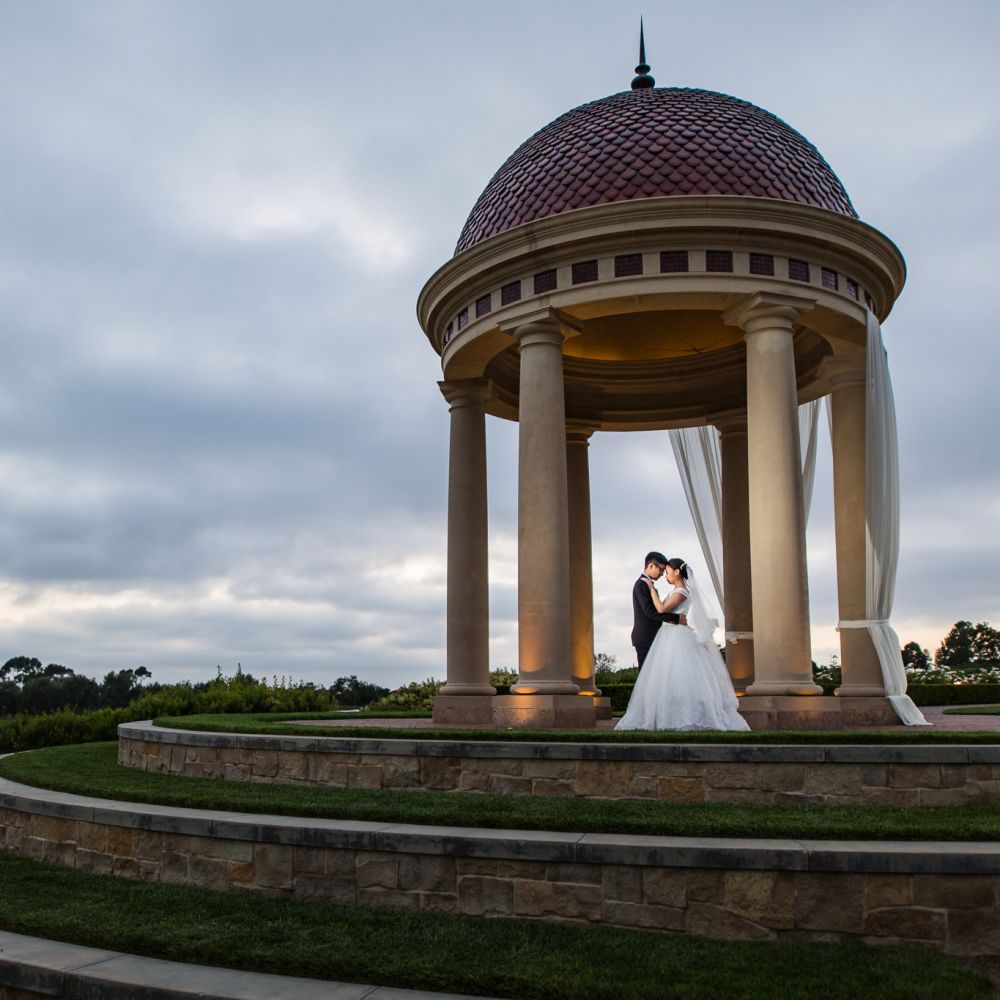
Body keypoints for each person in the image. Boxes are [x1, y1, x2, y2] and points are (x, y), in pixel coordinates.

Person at [617, 557, 750, 731]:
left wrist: (651, 590)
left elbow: (661, 609)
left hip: (675, 636)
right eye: (663, 571)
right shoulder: (675, 590)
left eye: (668, 572)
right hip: (667, 634)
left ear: (677, 572)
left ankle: (681, 717)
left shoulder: (682, 591)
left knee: (677, 676)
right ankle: (663, 716)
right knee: (665, 678)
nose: (666, 575)